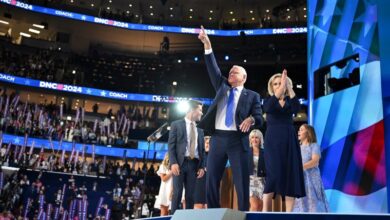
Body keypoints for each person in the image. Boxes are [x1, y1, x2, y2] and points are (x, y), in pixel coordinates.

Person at [197, 26, 263, 211]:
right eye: (230, 71)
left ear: (244, 77)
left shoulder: (253, 96)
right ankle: (212, 213)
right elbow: (212, 66)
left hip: (238, 140)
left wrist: (251, 119)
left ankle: (243, 213)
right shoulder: (222, 86)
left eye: (235, 72)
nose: (231, 73)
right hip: (217, 138)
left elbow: (259, 117)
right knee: (212, 179)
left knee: (241, 181)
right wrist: (207, 44)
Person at [262, 70, 305, 212]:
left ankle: (289, 215)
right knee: (273, 175)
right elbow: (267, 108)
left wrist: (289, 87)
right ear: (271, 86)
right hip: (273, 140)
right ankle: (265, 214)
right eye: (275, 84)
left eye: (281, 83)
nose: (278, 86)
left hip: (289, 139)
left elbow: (297, 108)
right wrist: (281, 88)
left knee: (289, 174)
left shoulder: (290, 101)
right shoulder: (269, 101)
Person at [168, 100, 206, 214]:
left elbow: (202, 150)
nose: (201, 113)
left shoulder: (200, 130)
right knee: (177, 193)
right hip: (180, 163)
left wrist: (202, 167)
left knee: (190, 195)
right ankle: (173, 217)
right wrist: (173, 162)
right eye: (200, 110)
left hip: (194, 165)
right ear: (192, 110)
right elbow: (171, 146)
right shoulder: (176, 125)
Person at [293, 124, 329, 212]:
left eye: (301, 130)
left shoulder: (314, 146)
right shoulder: (297, 148)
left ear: (308, 132)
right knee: (301, 202)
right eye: (299, 130)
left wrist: (299, 168)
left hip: (312, 179)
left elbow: (315, 161)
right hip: (301, 179)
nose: (298, 131)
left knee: (313, 202)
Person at [248, 129, 266, 211]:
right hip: (250, 181)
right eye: (252, 137)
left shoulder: (265, 152)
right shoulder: (246, 152)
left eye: (256, 137)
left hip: (262, 182)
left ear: (260, 139)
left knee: (260, 207)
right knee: (254, 206)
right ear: (250, 139)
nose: (254, 140)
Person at [194, 136, 211, 209]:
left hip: (210, 183)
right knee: (198, 205)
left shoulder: (215, 156)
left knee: (209, 206)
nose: (208, 145)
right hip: (199, 182)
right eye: (206, 143)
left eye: (210, 143)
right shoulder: (198, 155)